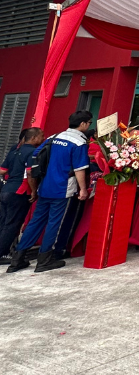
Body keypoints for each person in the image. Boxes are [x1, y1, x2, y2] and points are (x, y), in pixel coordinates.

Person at [7, 110, 93, 274]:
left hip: (45, 186)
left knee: (36, 222)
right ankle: (45, 259)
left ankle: (17, 259)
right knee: (55, 223)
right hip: (63, 188)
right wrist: (82, 189)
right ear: (83, 124)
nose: (89, 126)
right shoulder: (79, 142)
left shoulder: (54, 137)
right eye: (89, 123)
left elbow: (34, 160)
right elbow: (79, 168)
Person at [0, 127, 45, 261]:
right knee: (12, 225)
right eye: (41, 136)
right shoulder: (32, 152)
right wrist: (33, 191)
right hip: (20, 191)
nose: (43, 139)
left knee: (3, 222)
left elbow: (2, 171)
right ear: (33, 138)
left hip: (6, 189)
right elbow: (30, 174)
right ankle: (2, 253)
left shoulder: (14, 151)